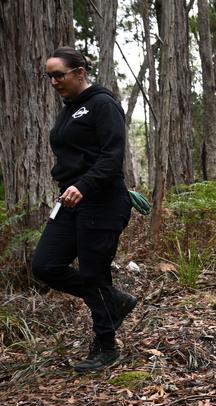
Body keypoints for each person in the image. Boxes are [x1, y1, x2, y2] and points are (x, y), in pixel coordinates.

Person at [31, 46, 136, 373]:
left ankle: (105, 346)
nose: (53, 82)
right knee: (46, 265)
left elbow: (111, 157)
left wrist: (85, 184)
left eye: (58, 75)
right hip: (70, 201)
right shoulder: (70, 108)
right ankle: (114, 300)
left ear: (79, 72)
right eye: (49, 76)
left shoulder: (102, 105)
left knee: (94, 272)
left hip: (102, 201)